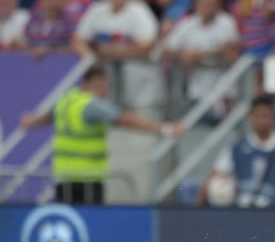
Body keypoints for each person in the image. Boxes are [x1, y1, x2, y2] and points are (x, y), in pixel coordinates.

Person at [19, 66, 188, 205]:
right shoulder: (92, 105)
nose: (105, 90)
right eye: (104, 85)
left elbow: (49, 116)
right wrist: (165, 129)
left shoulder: (66, 100)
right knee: (90, 227)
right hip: (87, 180)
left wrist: (31, 122)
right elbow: (123, 119)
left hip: (63, 177)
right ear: (93, 82)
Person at [197, 96, 275, 208]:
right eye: (258, 116)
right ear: (250, 116)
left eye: (266, 116)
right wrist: (198, 206)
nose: (262, 121)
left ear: (273, 117)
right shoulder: (236, 149)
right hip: (242, 214)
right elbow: (215, 174)